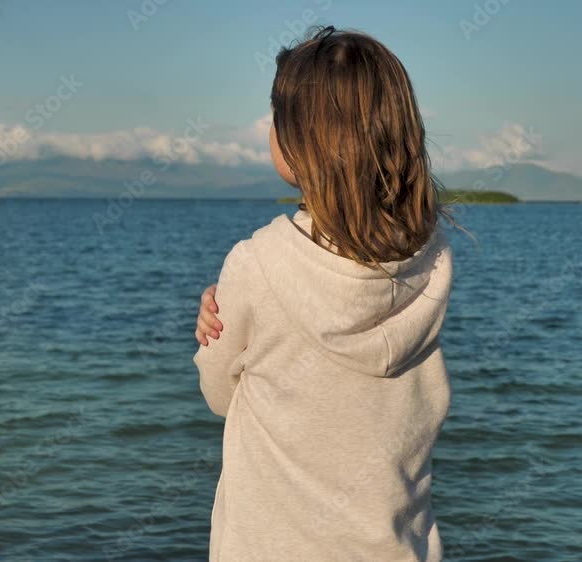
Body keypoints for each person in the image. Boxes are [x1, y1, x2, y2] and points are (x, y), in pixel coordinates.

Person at [192, 26, 455, 561]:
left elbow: (221, 395)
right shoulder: (433, 256)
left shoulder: (258, 263)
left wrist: (212, 331)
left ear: (300, 142)